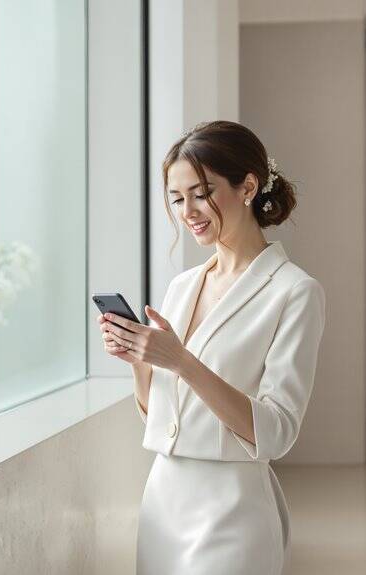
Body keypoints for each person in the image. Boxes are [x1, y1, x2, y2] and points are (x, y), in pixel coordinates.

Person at [98, 120, 326, 574]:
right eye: (177, 198)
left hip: (233, 511)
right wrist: (140, 361)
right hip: (164, 502)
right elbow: (161, 414)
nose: (188, 211)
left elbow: (276, 432)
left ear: (248, 187)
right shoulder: (184, 285)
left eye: (202, 193)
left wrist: (181, 361)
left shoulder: (295, 292)